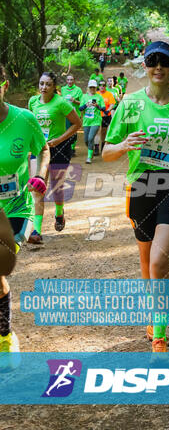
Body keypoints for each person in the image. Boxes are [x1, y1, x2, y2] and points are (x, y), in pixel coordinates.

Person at [102, 41, 169, 353]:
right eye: (152, 61)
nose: (158, 66)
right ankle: (158, 311)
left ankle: (159, 336)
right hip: (141, 187)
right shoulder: (130, 104)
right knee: (150, 264)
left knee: (159, 260)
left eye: (164, 61)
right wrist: (123, 146)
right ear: (144, 66)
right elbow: (107, 152)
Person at [0, 65, 50, 359]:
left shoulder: (24, 119)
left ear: (4, 84)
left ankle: (5, 337)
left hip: (17, 209)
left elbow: (43, 149)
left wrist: (41, 175)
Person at [28, 72, 81, 242]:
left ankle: (59, 213)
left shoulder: (61, 103)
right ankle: (36, 231)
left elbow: (77, 123)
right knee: (37, 187)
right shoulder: (33, 102)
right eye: (41, 84)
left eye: (48, 84)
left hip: (59, 149)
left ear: (54, 87)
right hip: (39, 149)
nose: (44, 87)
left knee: (56, 187)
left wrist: (58, 140)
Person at [79, 80, 106, 164]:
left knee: (91, 138)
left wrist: (97, 105)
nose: (92, 89)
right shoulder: (84, 97)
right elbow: (80, 108)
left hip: (96, 121)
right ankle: (91, 149)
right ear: (88, 87)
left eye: (94, 87)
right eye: (91, 87)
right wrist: (86, 105)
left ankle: (89, 157)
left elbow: (103, 109)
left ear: (96, 88)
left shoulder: (99, 97)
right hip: (86, 121)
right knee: (86, 140)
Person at [61, 74, 83, 157]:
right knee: (66, 131)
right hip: (65, 115)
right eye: (68, 80)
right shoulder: (63, 89)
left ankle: (73, 148)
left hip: (75, 114)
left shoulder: (78, 90)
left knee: (73, 131)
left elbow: (83, 102)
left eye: (71, 80)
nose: (70, 81)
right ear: (66, 81)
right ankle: (68, 147)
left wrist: (75, 101)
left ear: (74, 81)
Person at [97, 80, 116, 152]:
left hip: (106, 116)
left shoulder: (109, 94)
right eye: (100, 85)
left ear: (105, 86)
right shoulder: (96, 94)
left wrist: (108, 110)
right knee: (98, 131)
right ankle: (96, 146)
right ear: (98, 86)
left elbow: (112, 104)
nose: (102, 86)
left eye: (103, 85)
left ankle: (103, 144)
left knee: (104, 131)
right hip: (97, 116)